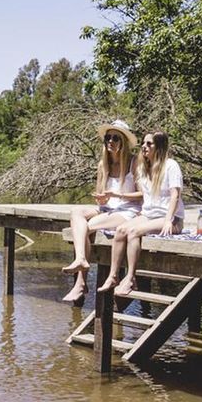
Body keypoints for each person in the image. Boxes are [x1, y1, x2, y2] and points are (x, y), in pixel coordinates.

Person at [98, 130, 185, 300]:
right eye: (144, 143)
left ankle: (130, 278)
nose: (144, 147)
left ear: (159, 147)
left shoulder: (171, 165)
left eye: (149, 144)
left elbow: (175, 195)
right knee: (121, 230)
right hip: (149, 215)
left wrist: (169, 220)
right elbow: (144, 196)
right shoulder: (144, 168)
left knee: (133, 232)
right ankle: (113, 276)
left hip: (170, 218)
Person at [61, 120, 142, 304]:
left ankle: (81, 282)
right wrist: (102, 199)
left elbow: (143, 195)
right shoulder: (102, 165)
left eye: (115, 138)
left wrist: (117, 194)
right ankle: (81, 260)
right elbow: (100, 196)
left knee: (87, 227)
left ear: (123, 142)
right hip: (107, 209)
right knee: (76, 212)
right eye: (108, 138)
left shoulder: (134, 162)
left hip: (128, 210)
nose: (110, 141)